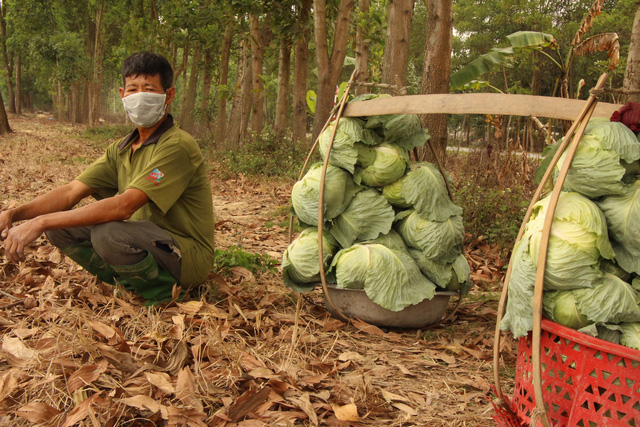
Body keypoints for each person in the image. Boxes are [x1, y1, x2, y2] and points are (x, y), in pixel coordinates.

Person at [0, 51, 215, 305]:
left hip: (187, 254)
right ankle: (129, 281)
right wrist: (15, 215)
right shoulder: (122, 149)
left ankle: (163, 292)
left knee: (107, 233)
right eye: (132, 89)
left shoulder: (178, 145)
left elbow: (124, 206)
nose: (139, 97)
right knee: (60, 229)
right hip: (147, 240)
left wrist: (41, 222)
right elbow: (71, 191)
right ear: (122, 95)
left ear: (169, 95)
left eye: (149, 89)